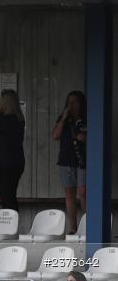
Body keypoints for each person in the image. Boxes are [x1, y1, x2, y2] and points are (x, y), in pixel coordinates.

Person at [0, 89, 25, 213]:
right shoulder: (19, 119)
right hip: (17, 161)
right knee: (11, 195)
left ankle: (11, 225)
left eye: (2, 101)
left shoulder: (4, 120)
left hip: (4, 163)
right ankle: (13, 223)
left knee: (6, 197)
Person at [52, 90, 87, 234]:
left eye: (74, 102)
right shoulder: (64, 119)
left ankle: (87, 224)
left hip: (83, 160)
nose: (71, 105)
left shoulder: (87, 118)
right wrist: (64, 118)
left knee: (83, 192)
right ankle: (73, 227)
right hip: (66, 160)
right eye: (69, 102)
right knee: (70, 194)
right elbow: (55, 135)